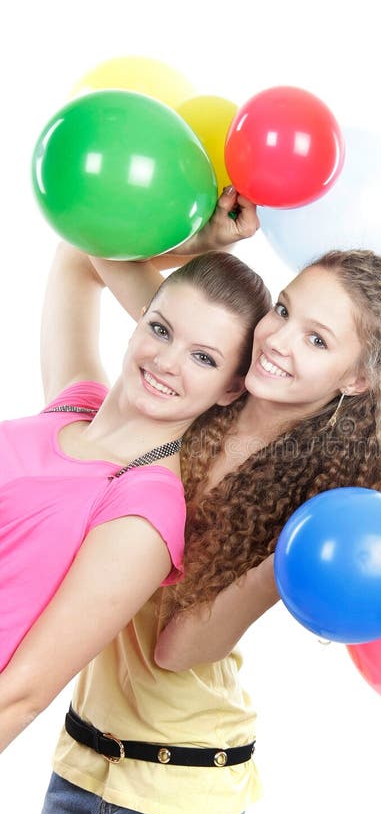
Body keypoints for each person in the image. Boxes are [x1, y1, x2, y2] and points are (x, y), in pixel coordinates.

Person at [29, 192, 381, 814]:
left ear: (358, 379)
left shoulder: (310, 506)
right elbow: (93, 250)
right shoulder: (200, 383)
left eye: (317, 340)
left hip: (178, 790)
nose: (275, 340)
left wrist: (287, 560)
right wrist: (200, 238)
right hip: (82, 755)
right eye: (283, 311)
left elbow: (180, 649)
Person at [0, 190, 270, 751]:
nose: (167, 362)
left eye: (204, 358)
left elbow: (20, 694)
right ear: (138, 318)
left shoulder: (145, 505)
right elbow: (78, 254)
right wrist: (194, 245)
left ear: (230, 389)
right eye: (162, 329)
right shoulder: (70, 405)